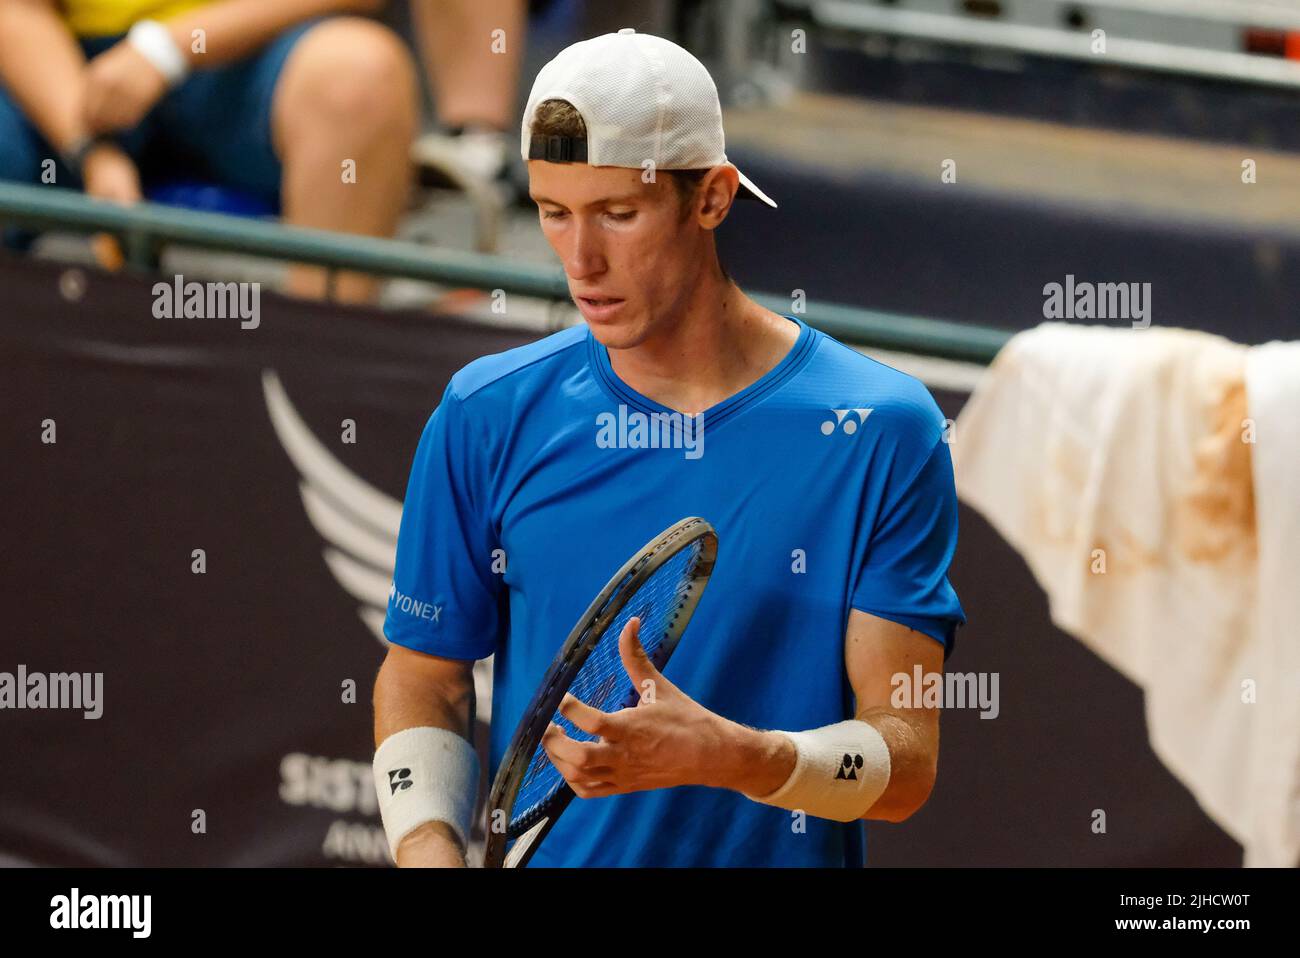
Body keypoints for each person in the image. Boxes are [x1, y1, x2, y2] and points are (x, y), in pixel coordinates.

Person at [372, 27, 965, 867]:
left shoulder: (883, 429)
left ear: (713, 198)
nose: (581, 259)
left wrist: (733, 755)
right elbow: (424, 677)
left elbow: (904, 760)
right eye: (552, 213)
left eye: (619, 214)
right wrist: (428, 850)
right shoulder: (484, 412)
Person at [0, 0, 417, 302]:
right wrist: (92, 151)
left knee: (361, 77)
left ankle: (315, 381)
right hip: (63, 67)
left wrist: (165, 51)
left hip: (251, 46)